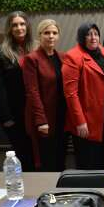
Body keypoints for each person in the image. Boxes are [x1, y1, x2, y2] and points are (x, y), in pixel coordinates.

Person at [63, 22, 104, 170]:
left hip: (103, 117)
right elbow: (71, 94)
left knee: (102, 159)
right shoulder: (72, 56)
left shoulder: (102, 51)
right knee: (87, 163)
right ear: (81, 37)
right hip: (86, 120)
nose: (93, 38)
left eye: (96, 34)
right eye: (88, 34)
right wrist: (80, 121)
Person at [0, 11, 35, 171]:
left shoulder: (37, 48)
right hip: (14, 113)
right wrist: (6, 116)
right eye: (15, 25)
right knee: (23, 154)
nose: (19, 28)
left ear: (27, 26)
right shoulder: (0, 53)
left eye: (22, 24)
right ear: (9, 28)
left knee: (39, 153)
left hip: (35, 111)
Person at [23, 19, 67, 171]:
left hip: (61, 115)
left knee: (61, 158)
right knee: (47, 160)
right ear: (39, 35)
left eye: (54, 33)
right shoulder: (31, 59)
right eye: (47, 33)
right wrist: (41, 120)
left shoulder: (63, 57)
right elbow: (32, 92)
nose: (51, 36)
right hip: (44, 118)